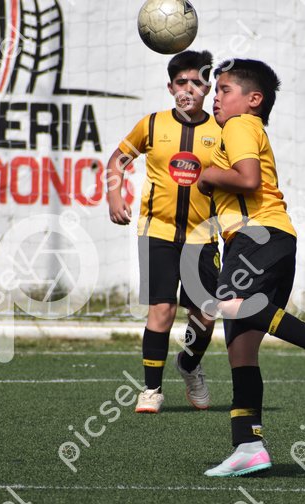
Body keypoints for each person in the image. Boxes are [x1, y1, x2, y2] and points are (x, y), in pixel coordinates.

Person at [195, 58, 305, 477]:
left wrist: (208, 174)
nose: (215, 97)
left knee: (226, 302)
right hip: (261, 240)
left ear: (254, 99)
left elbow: (248, 180)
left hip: (258, 236)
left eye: (224, 89)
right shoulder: (240, 128)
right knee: (241, 351)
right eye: (216, 90)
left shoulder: (240, 125)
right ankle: (249, 446)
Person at [106, 50, 220, 414]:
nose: (189, 89)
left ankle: (188, 365)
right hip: (157, 231)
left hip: (204, 236)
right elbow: (118, 159)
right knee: (162, 310)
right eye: (181, 82)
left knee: (205, 315)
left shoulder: (222, 132)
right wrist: (114, 195)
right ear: (170, 87)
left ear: (208, 88)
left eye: (197, 82)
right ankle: (151, 389)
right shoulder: (152, 124)